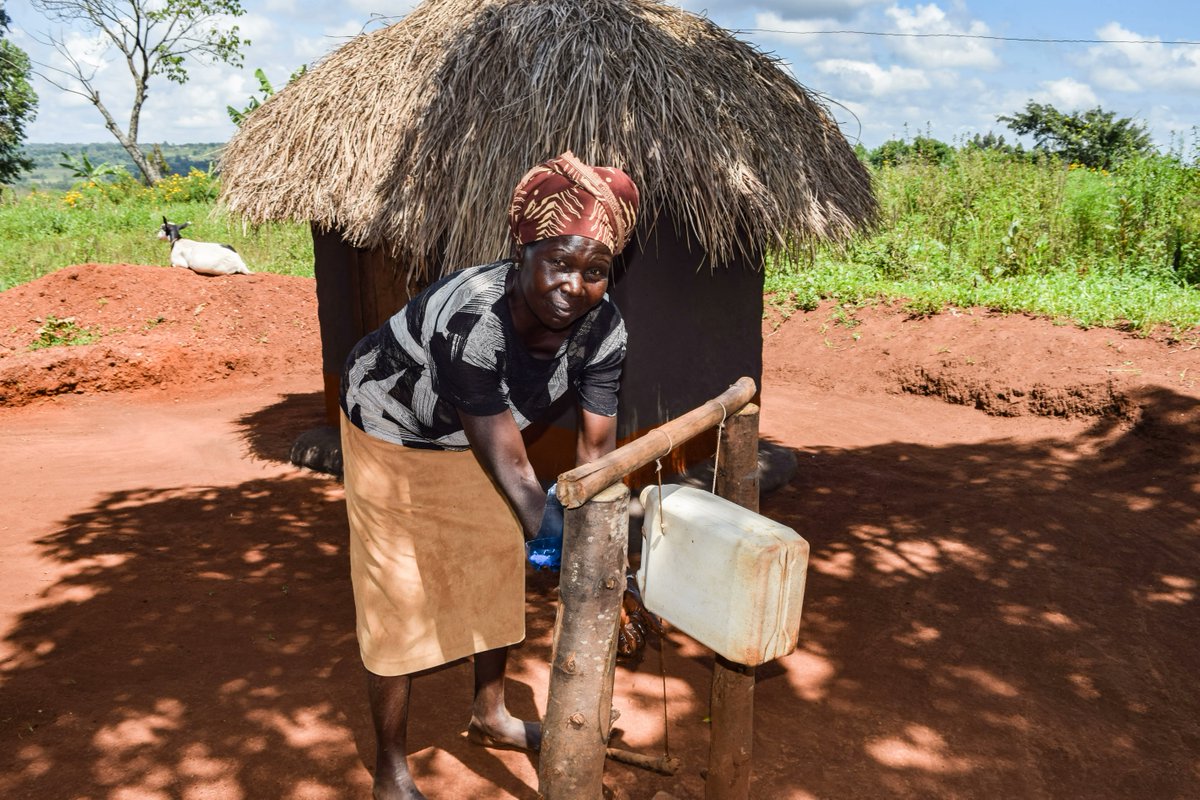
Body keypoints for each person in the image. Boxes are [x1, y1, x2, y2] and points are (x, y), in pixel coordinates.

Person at [339, 151, 639, 800]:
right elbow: (512, 468)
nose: (574, 285)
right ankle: (391, 770)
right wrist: (568, 546)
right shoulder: (475, 318)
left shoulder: (605, 331)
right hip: (391, 431)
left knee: (492, 563)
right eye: (558, 262)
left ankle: (490, 715)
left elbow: (597, 453)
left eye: (594, 271)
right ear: (522, 252)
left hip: (481, 436)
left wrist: (605, 541)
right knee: (399, 589)